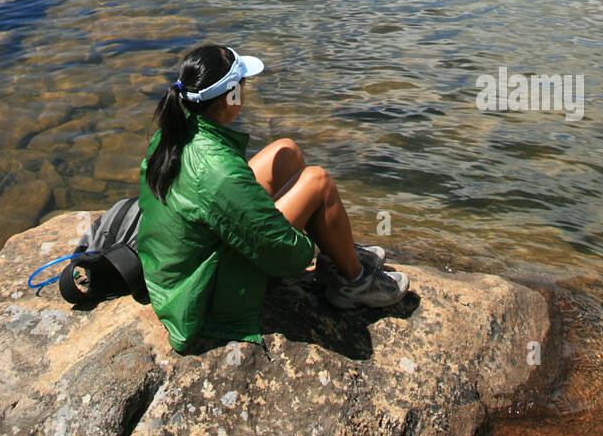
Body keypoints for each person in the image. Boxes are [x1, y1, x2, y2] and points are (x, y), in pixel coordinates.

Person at [136, 42, 409, 354]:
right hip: (203, 291)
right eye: (243, 84)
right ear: (231, 98)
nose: (246, 90)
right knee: (317, 182)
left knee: (286, 152)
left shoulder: (177, 132)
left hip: (180, 264)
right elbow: (286, 256)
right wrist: (307, 243)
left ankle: (338, 256)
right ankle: (355, 283)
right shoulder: (217, 169)